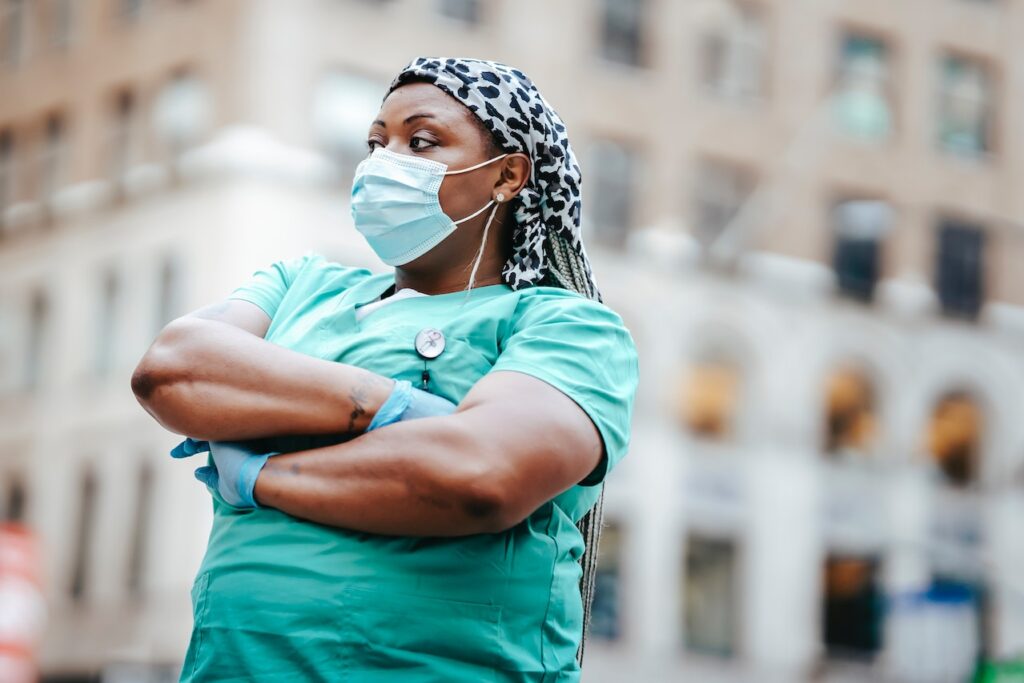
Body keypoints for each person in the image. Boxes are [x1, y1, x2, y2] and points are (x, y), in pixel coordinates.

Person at [131, 56, 639, 682]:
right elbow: (173, 369)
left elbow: (479, 474)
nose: (382, 162)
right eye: (377, 143)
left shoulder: (566, 326)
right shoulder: (301, 284)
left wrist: (257, 475)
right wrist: (397, 409)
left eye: (420, 141)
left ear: (507, 176)